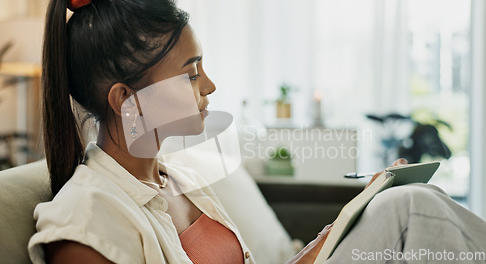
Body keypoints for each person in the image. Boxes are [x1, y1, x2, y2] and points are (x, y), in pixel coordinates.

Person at [28, 0, 486, 263]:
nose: (209, 85)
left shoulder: (176, 180)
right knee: (413, 208)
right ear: (127, 100)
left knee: (398, 202)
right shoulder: (85, 221)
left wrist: (348, 218)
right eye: (190, 73)